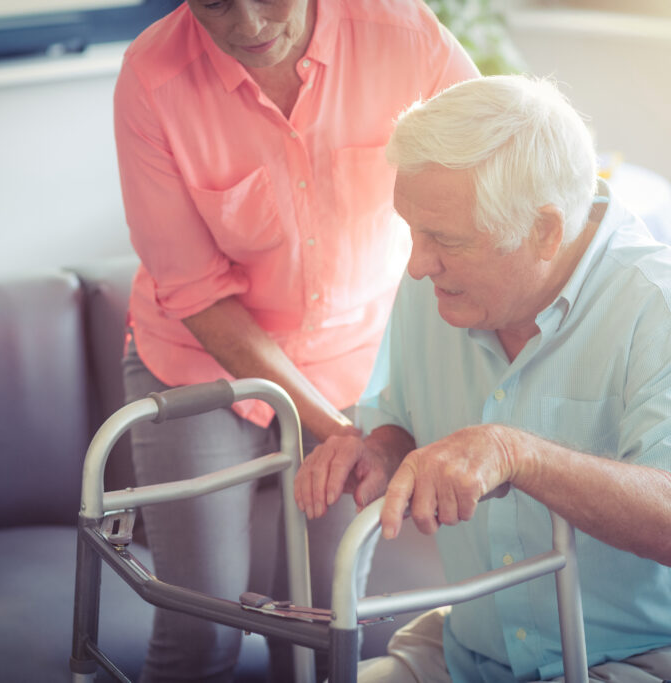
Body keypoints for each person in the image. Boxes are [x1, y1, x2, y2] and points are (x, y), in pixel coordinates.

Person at [294, 75, 671, 682]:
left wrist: (515, 452)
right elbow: (401, 421)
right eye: (413, 231)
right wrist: (378, 452)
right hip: (475, 654)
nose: (418, 264)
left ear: (545, 231)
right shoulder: (437, 285)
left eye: (444, 239)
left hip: (669, 655)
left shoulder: (664, 305)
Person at [112, 1, 478, 681]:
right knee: (203, 626)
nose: (249, 25)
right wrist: (342, 431)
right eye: (217, 3)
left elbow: (493, 162)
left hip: (353, 361)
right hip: (199, 365)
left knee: (322, 625)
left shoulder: (405, 36)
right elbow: (195, 293)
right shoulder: (151, 78)